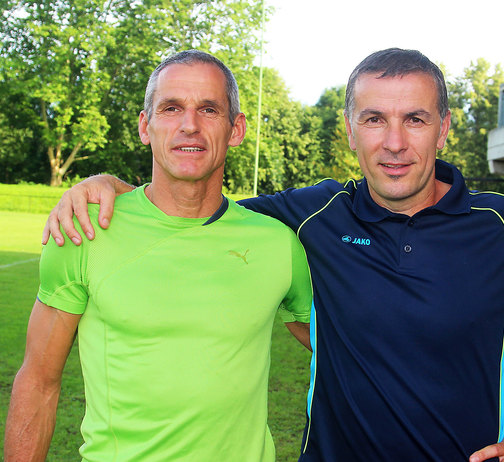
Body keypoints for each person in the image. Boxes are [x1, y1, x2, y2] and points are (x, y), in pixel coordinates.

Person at [41, 48, 504, 462]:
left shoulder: (502, 226)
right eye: (374, 119)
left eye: (414, 119)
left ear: (443, 129)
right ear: (349, 130)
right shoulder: (313, 217)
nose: (393, 142)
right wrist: (107, 183)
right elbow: (195, 197)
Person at [4, 50, 313, 462]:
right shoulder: (87, 231)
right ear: (145, 126)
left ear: (235, 128)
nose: (190, 125)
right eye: (171, 108)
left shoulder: (278, 244)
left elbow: (345, 348)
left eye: (209, 109)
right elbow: (38, 382)